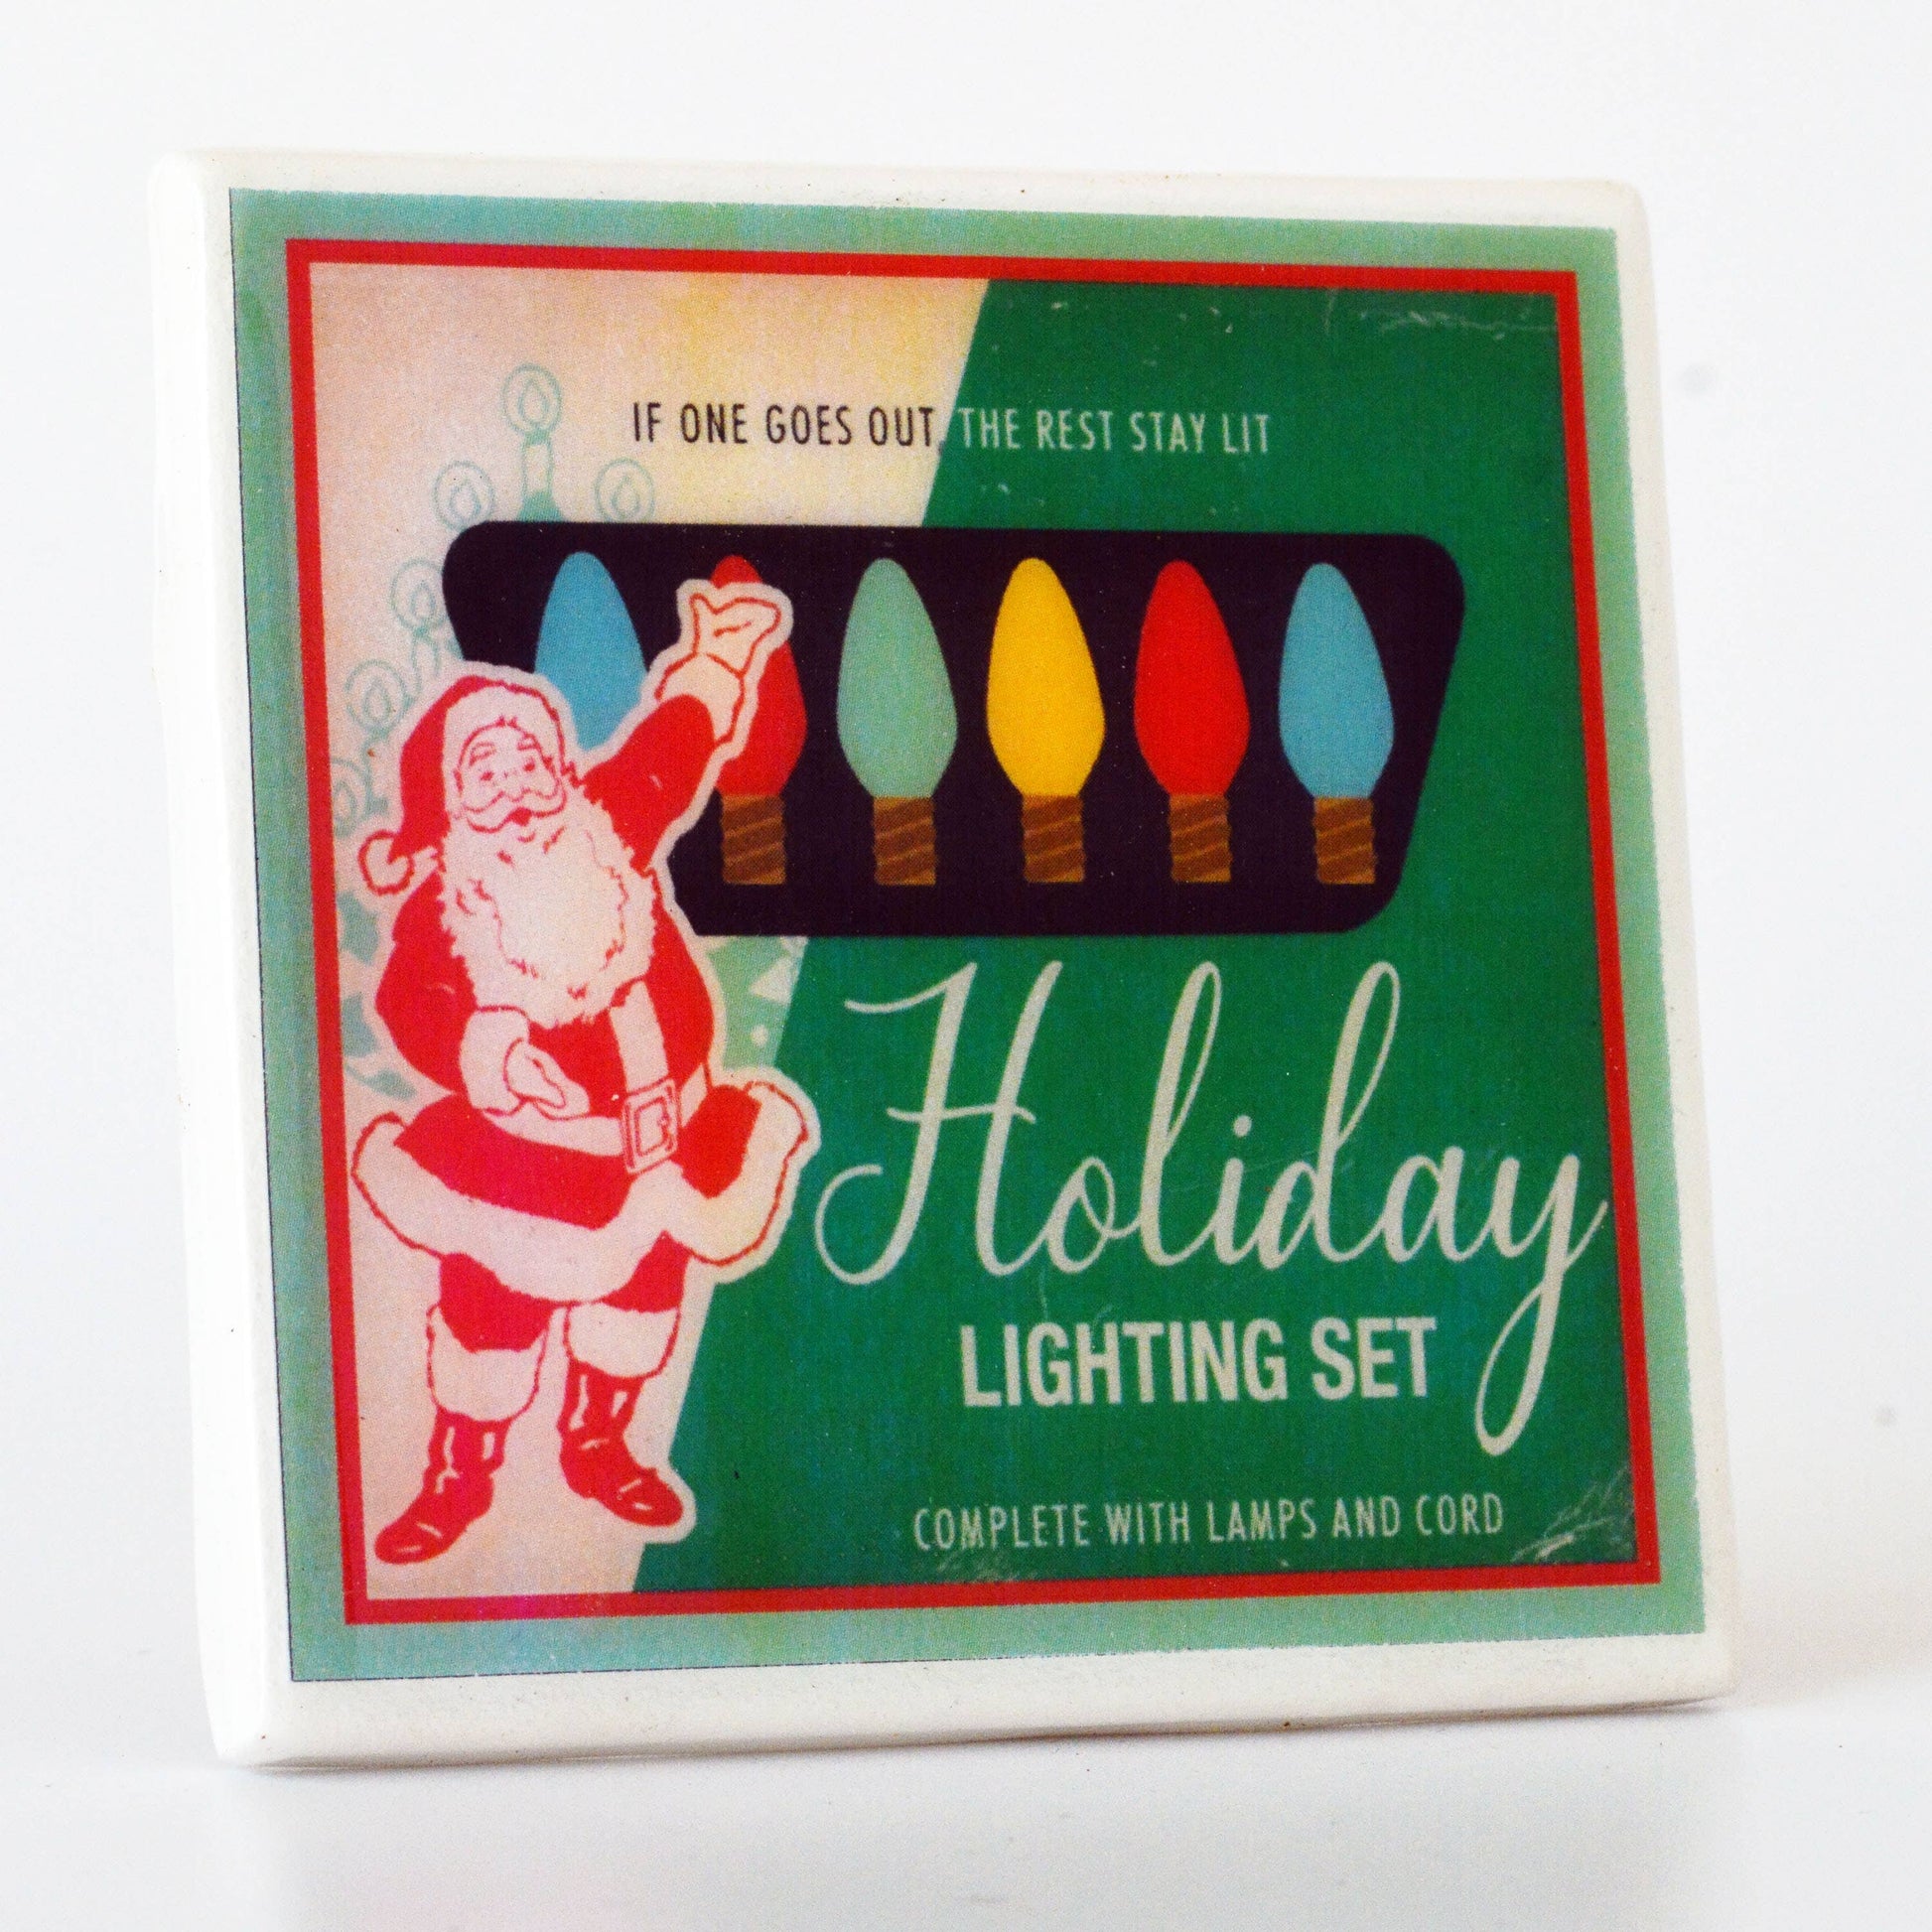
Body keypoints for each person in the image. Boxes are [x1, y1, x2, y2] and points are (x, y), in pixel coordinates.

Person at [350, 572, 815, 1564]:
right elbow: (410, 1003)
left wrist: (718, 659)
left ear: (560, 765)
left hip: (664, 1147)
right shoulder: (447, 907)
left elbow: (667, 754)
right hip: (525, 1169)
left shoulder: (605, 826)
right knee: (492, 1317)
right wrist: (492, 1050)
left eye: (530, 759)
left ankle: (599, 1443)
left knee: (639, 1299)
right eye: (484, 771)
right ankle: (459, 1473)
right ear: (449, 801)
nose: (515, 784)